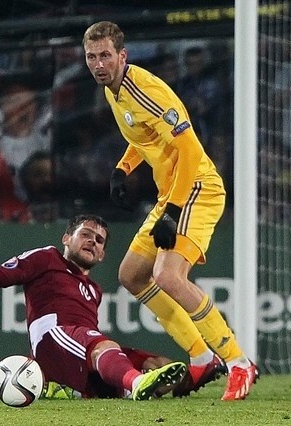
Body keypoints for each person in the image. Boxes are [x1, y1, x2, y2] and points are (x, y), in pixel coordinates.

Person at [82, 21, 257, 401]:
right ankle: (202, 357)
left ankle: (239, 361)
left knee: (168, 276)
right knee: (132, 275)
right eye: (92, 57)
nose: (98, 64)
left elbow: (190, 149)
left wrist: (173, 211)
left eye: (105, 56)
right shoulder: (113, 90)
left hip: (197, 188)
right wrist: (123, 169)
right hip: (173, 193)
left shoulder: (146, 91)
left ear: (122, 56)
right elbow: (145, 137)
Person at [0, 214, 187, 400]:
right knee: (104, 347)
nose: (92, 241)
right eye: (85, 234)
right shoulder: (47, 258)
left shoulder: (94, 290)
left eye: (99, 241)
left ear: (102, 255)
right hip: (53, 336)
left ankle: (77, 388)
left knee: (163, 366)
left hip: (80, 346)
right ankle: (135, 384)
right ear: (66, 238)